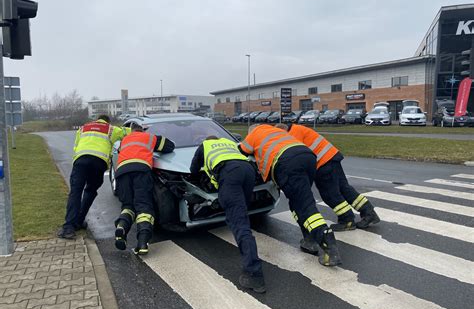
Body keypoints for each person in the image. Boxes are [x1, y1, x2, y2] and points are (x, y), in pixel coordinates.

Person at [239, 124, 342, 267]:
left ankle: (328, 245)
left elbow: (242, 151)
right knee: (298, 202)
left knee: (305, 206)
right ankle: (309, 240)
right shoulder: (274, 130)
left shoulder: (254, 132)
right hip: (307, 156)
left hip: (286, 163)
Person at [190, 136, 266, 293]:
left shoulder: (205, 145)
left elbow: (193, 169)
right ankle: (252, 265)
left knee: (239, 223)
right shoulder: (229, 143)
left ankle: (254, 274)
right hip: (248, 171)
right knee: (242, 214)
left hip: (229, 174)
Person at [275, 123, 380, 234]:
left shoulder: (292, 136)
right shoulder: (298, 128)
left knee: (330, 194)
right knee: (344, 188)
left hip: (323, 163)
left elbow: (297, 159)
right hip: (331, 156)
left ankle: (347, 220)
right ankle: (369, 213)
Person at [57, 115, 130, 239]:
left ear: (96, 120)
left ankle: (68, 227)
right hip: (98, 163)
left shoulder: (83, 128)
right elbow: (127, 132)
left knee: (75, 192)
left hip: (80, 161)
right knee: (90, 190)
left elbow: (76, 146)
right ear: (107, 121)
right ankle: (79, 221)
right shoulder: (111, 129)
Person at [114, 123, 175, 255]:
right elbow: (170, 146)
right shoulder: (150, 137)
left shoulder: (124, 140)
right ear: (142, 130)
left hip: (122, 172)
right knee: (143, 206)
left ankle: (121, 228)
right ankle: (142, 242)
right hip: (141, 171)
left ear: (131, 131)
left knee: (128, 205)